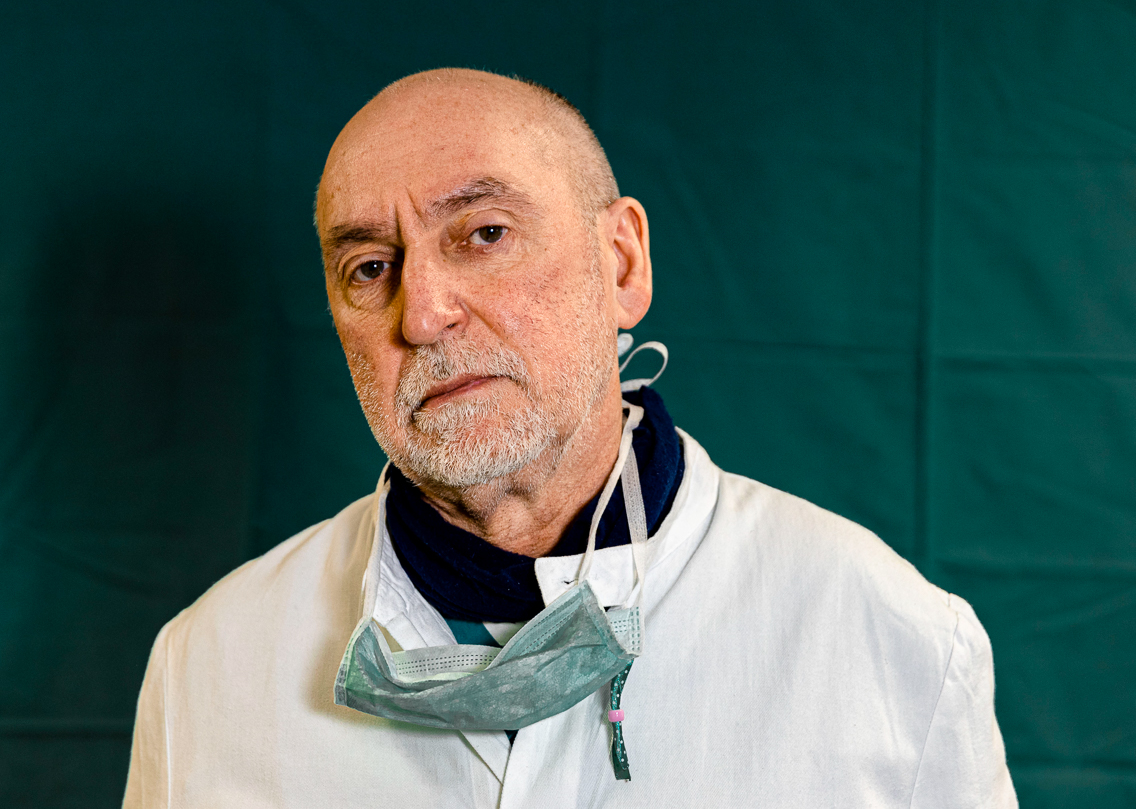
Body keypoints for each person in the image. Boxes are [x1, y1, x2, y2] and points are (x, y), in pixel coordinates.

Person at [123, 68, 1017, 807]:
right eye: (371, 266)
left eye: (484, 233)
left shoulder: (890, 639)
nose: (425, 313)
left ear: (621, 264)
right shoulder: (211, 665)